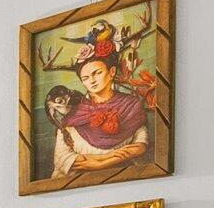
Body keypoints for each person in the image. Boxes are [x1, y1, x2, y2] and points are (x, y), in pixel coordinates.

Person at [53, 46, 149, 176]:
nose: (91, 81)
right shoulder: (74, 114)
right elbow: (63, 157)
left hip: (124, 178)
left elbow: (140, 146)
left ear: (112, 71)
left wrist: (103, 163)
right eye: (85, 78)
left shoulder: (130, 105)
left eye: (97, 73)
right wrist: (105, 160)